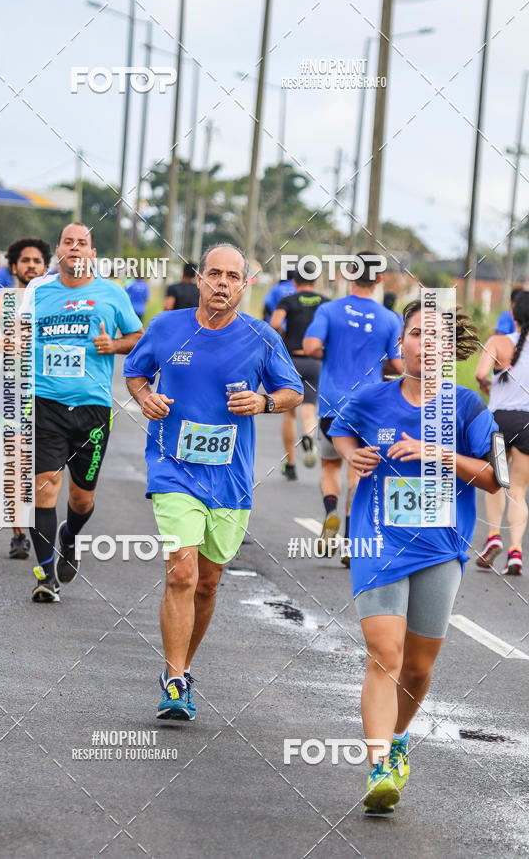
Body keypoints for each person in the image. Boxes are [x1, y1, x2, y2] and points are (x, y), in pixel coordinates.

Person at [330, 300, 500, 814]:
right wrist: (349, 454)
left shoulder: (468, 408)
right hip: (377, 539)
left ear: (448, 351)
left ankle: (399, 736)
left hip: (440, 546)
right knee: (385, 652)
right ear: (400, 344)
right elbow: (341, 428)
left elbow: (495, 477)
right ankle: (379, 765)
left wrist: (436, 453)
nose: (423, 345)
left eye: (433, 337)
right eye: (414, 335)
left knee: (420, 667)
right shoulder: (372, 399)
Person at [124, 243, 303, 720]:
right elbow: (136, 373)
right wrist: (145, 400)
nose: (222, 283)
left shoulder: (261, 336)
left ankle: (184, 666)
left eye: (233, 277)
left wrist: (264, 403)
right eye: (214, 274)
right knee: (182, 570)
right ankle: (175, 679)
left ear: (245, 286)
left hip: (231, 476)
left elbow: (293, 391)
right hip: (173, 467)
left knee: (208, 582)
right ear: (199, 279)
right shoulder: (166, 327)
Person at [25, 222, 144, 603]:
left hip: (93, 409)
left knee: (81, 499)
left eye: (83, 243)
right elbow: (19, 333)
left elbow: (138, 338)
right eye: (68, 242)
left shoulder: (111, 293)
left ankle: (70, 536)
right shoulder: (39, 292)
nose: (75, 248)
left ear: (92, 253)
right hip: (46, 403)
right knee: (45, 485)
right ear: (57, 250)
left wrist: (114, 345)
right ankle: (45, 576)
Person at [303, 255, 403, 566]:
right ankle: (349, 543)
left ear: (349, 275)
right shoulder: (389, 319)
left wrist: (330, 350)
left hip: (333, 404)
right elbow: (399, 364)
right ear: (380, 279)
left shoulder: (329, 309)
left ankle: (330, 509)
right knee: (359, 472)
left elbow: (310, 347)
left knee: (330, 467)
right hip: (370, 407)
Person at [0, 237, 51, 560]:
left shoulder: (54, 302)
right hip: (13, 391)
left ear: (46, 267)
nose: (31, 266)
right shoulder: (0, 304)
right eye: (25, 261)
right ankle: (19, 533)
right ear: (13, 267)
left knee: (43, 469)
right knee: (16, 461)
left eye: (37, 261)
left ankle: (43, 523)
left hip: (50, 393)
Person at [475, 290, 529, 575]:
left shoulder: (498, 341)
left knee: (495, 482)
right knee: (519, 490)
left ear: (513, 315)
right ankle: (516, 552)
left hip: (499, 421)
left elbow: (480, 374)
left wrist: (488, 386)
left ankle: (493, 536)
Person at [270, 260, 329, 478]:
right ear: (315, 282)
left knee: (289, 414)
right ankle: (309, 436)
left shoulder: (288, 300)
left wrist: (284, 335)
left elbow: (275, 324)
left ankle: (291, 465)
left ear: (295, 283)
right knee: (309, 408)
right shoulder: (325, 303)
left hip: (291, 360)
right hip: (314, 360)